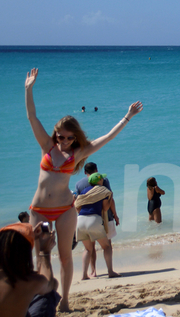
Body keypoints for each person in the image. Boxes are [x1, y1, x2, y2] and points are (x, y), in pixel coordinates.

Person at [24, 67, 142, 311]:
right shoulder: (47, 146)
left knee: (65, 256)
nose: (64, 141)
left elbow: (107, 138)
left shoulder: (78, 153)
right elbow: (32, 117)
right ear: (55, 135)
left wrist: (127, 116)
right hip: (40, 211)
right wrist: (28, 89)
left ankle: (65, 301)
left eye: (68, 138)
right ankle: (41, 299)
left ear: (74, 138)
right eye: (60, 137)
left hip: (66, 209)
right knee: (41, 258)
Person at [0, 222, 59, 317]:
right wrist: (45, 251)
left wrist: (30, 237)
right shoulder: (30, 282)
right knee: (50, 291)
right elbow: (49, 284)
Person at [74, 163, 119, 279]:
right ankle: (110, 271)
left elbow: (77, 207)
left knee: (88, 249)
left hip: (80, 220)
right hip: (97, 219)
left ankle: (87, 274)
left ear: (85, 172)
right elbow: (106, 207)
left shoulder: (81, 188)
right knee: (107, 246)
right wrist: (114, 213)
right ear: (97, 172)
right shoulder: (102, 189)